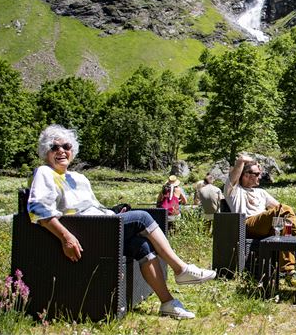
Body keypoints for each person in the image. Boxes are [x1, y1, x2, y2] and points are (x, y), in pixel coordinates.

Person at [28, 124, 216, 320]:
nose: (61, 151)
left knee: (141, 246)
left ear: (72, 150)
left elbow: (92, 206)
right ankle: (181, 269)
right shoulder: (44, 172)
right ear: (45, 152)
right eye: (54, 147)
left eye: (66, 146)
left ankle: (167, 302)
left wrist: (113, 212)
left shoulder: (78, 177)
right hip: (85, 232)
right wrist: (66, 236)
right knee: (142, 217)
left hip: (103, 224)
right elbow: (38, 210)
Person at [225, 154, 296, 287]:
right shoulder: (234, 190)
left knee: (287, 226)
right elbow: (233, 177)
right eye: (257, 174)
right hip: (247, 225)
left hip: (265, 226)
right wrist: (242, 160)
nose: (260, 177)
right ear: (245, 175)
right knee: (284, 211)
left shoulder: (261, 192)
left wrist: (289, 220)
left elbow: (282, 210)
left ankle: (289, 272)